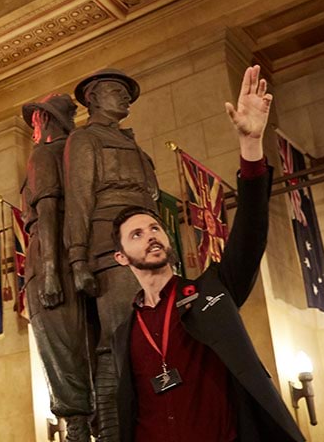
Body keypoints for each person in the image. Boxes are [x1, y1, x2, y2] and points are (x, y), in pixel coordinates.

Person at [110, 65, 304, 442]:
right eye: (136, 234)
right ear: (121, 256)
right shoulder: (124, 333)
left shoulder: (212, 291)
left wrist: (250, 147)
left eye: (155, 228)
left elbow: (249, 236)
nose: (151, 236)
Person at [64, 68, 159, 440]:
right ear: (91, 98)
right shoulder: (85, 140)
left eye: (127, 93)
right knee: (116, 341)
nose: (124, 98)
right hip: (111, 249)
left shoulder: (134, 144)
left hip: (148, 245)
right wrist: (78, 258)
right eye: (115, 91)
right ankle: (111, 431)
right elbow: (79, 198)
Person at [20, 93, 92, 440]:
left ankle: (77, 430)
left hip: (52, 260)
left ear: (44, 121)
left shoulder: (45, 154)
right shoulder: (80, 155)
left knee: (62, 354)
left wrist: (49, 271)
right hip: (80, 258)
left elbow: (47, 210)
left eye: (34, 120)